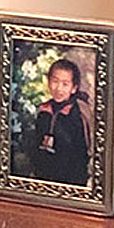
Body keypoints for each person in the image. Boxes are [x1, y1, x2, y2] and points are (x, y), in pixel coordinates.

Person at [23, 57, 92, 185]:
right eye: (55, 81)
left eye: (65, 84)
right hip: (44, 176)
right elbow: (37, 143)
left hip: (70, 178)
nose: (59, 88)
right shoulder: (44, 110)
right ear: (48, 82)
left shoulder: (77, 114)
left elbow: (81, 153)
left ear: (74, 88)